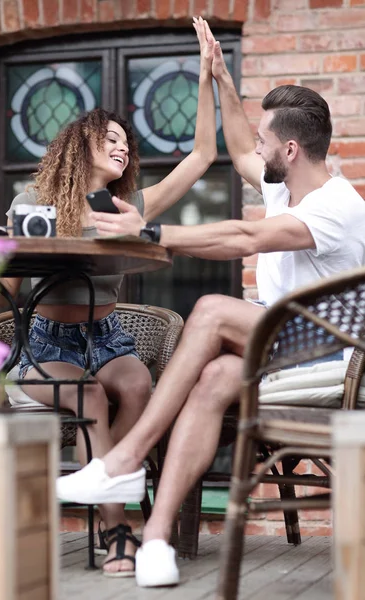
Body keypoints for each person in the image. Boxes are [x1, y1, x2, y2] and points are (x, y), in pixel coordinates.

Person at [56, 19, 365, 587]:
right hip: (283, 347)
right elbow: (243, 144)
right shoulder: (286, 184)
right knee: (215, 377)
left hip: (330, 352)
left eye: (271, 140)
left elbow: (242, 239)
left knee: (213, 310)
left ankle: (123, 463)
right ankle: (154, 542)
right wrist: (221, 77)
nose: (258, 148)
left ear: (291, 149)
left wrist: (145, 234)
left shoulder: (336, 207)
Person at [0, 17, 217, 578]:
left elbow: (199, 157)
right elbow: (5, 290)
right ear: (81, 145)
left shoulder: (130, 210)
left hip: (110, 334)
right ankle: (116, 529)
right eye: (111, 139)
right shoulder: (34, 200)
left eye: (126, 143)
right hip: (44, 340)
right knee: (91, 396)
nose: (122, 149)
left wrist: (205, 80)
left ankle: (110, 491)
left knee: (139, 382)